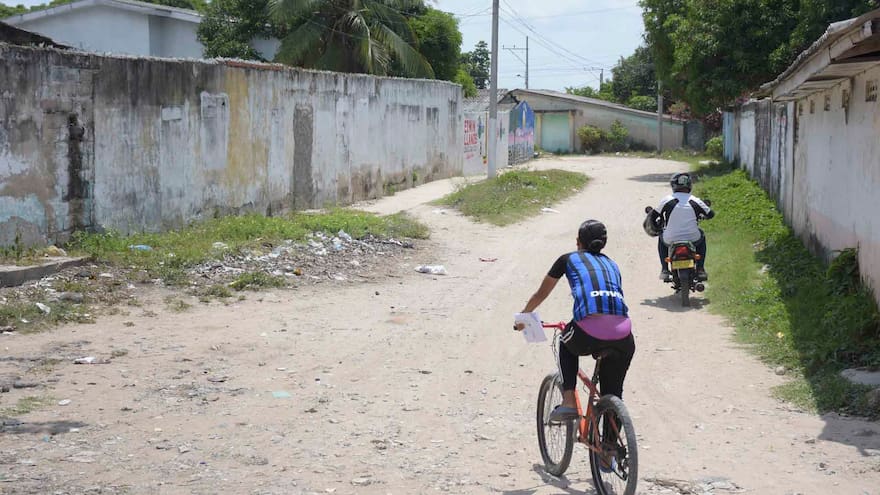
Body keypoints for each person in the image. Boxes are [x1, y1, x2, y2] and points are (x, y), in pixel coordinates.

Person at [515, 220, 635, 423]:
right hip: (624, 335)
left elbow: (541, 294)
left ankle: (569, 401)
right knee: (613, 392)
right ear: (603, 243)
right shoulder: (612, 264)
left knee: (564, 340)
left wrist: (524, 315)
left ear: (578, 241)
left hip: (589, 332)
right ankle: (611, 452)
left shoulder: (567, 259)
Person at [651, 172, 714, 282]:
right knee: (702, 236)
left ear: (673, 185)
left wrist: (656, 227)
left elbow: (653, 216)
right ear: (689, 185)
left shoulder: (666, 200)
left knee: (661, 237)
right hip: (692, 238)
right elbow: (711, 214)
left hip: (671, 238)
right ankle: (700, 269)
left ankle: (665, 269)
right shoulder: (695, 200)